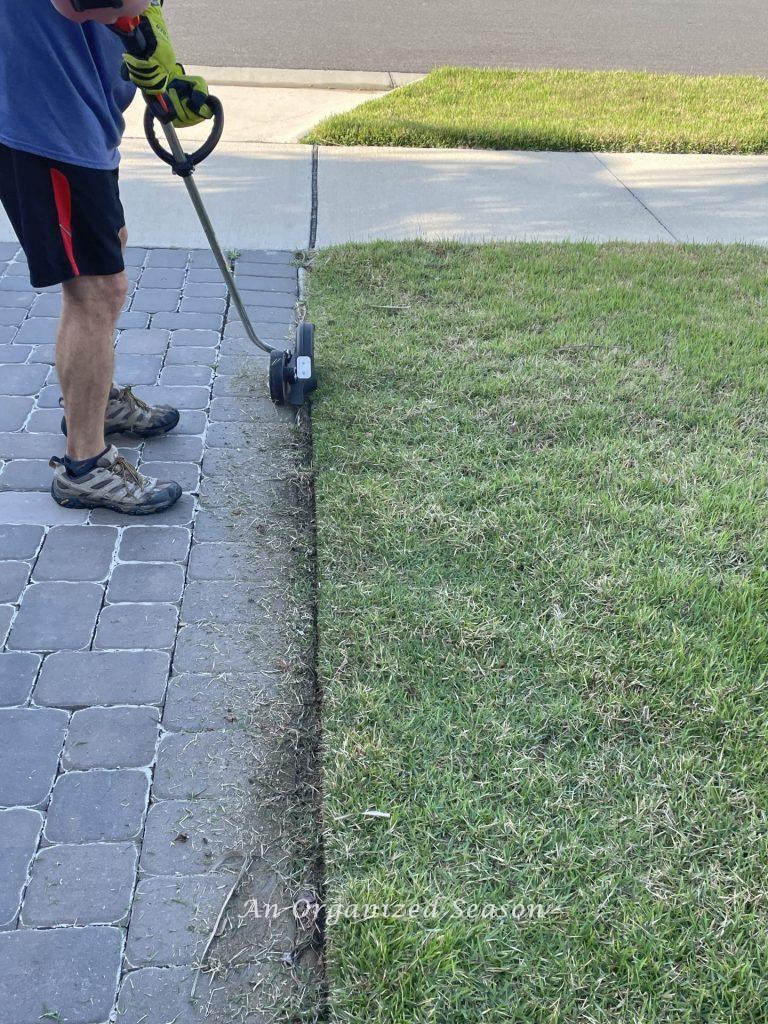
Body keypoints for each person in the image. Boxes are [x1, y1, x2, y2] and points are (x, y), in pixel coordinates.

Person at [0, 0, 213, 514]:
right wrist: (143, 34)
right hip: (46, 119)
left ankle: (94, 405)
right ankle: (85, 465)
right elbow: (85, 5)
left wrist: (157, 62)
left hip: (79, 111)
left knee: (106, 251)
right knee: (96, 288)